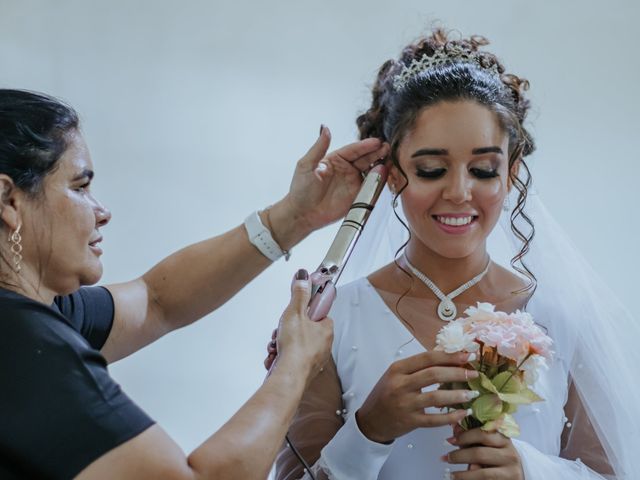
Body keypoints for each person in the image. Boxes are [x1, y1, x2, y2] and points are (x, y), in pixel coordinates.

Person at [271, 29, 640, 479]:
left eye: (484, 170)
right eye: (431, 169)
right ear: (391, 175)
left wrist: (529, 470)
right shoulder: (330, 323)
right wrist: (368, 431)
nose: (459, 193)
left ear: (511, 172)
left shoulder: (561, 316)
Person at [0, 89, 390, 480]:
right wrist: (296, 365)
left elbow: (157, 301)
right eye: (80, 187)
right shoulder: (19, 342)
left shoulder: (32, 314)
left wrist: (297, 216)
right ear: (8, 200)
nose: (103, 212)